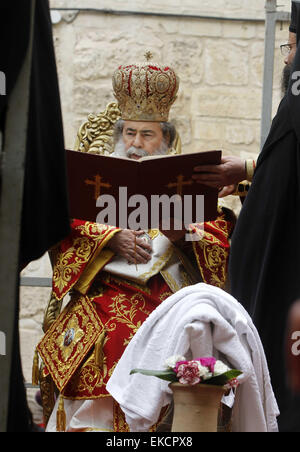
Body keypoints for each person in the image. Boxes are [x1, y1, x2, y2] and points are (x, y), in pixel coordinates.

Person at [36, 57, 234, 432]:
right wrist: (111, 238)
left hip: (166, 305)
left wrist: (185, 236)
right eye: (129, 133)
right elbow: (63, 231)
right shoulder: (94, 180)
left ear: (166, 139)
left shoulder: (186, 184)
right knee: (102, 337)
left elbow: (220, 241)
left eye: (147, 135)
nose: (136, 144)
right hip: (100, 300)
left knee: (180, 337)